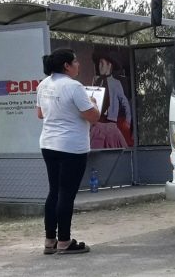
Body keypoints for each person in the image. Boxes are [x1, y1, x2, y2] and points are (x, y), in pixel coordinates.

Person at [37, 48, 100, 255]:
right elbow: (93, 117)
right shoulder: (74, 87)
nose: (78, 65)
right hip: (72, 147)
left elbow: (40, 114)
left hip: (48, 144)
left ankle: (50, 240)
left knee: (54, 191)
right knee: (67, 193)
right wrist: (92, 103)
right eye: (75, 62)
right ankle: (64, 240)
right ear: (67, 65)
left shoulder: (43, 84)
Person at [90, 53, 133, 148]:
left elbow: (124, 101)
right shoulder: (96, 80)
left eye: (102, 63)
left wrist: (128, 120)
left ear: (109, 65)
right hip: (98, 120)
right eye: (99, 64)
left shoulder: (116, 83)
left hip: (110, 121)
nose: (99, 66)